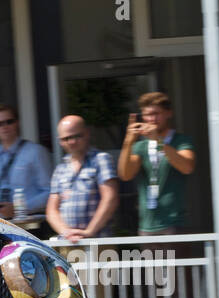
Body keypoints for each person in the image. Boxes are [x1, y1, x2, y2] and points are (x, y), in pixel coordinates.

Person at [118, 91, 196, 235]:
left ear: (168, 113)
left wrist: (158, 141)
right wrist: (128, 141)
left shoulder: (180, 141)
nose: (151, 119)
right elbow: (125, 175)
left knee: (176, 258)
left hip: (175, 223)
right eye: (147, 115)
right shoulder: (140, 146)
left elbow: (187, 167)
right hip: (147, 226)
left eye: (156, 113)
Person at [47, 115, 119, 241]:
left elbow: (110, 199)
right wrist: (66, 233)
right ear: (60, 141)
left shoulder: (101, 159)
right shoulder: (60, 169)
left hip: (98, 241)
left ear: (87, 133)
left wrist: (89, 231)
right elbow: (52, 210)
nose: (72, 142)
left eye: (77, 136)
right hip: (68, 243)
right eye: (66, 138)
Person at [0, 103, 52, 220]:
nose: (4, 127)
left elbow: (51, 193)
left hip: (29, 224)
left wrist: (19, 208)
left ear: (17, 123)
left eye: (9, 122)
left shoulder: (36, 152)